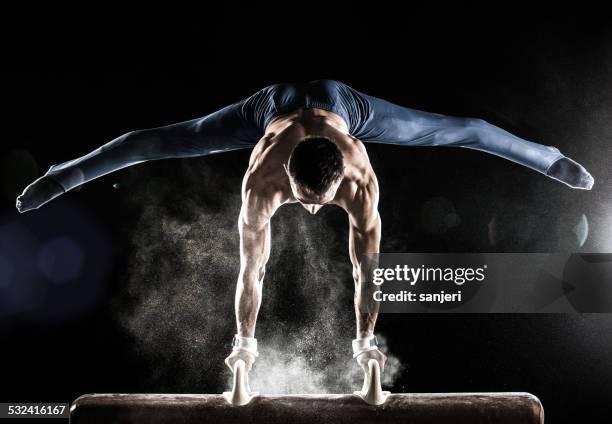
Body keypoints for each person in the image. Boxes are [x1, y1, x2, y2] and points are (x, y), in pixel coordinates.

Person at [15, 79, 594, 384]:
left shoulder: (361, 180)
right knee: (160, 139)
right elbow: (253, 267)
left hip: (347, 107)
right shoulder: (262, 179)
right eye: (304, 201)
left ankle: (547, 158)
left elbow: (366, 272)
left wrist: (365, 338)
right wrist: (245, 340)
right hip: (269, 109)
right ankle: (64, 176)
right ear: (287, 180)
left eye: (321, 202)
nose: (312, 212)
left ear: (340, 181)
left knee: (462, 130)